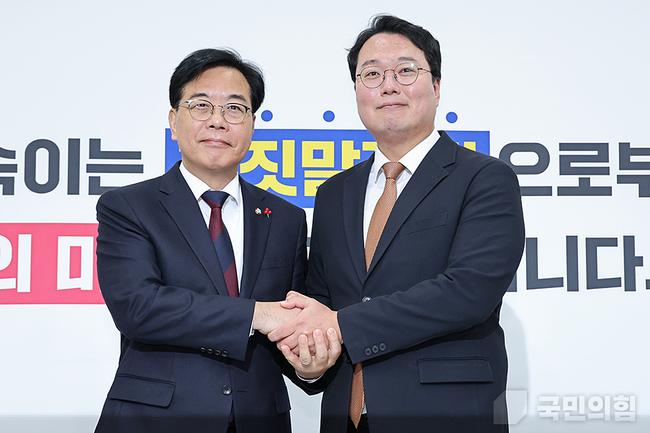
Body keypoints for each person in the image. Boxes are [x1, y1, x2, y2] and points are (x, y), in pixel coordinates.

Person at [270, 15, 525, 433]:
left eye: (406, 71)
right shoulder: (334, 193)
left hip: (445, 414)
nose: (388, 86)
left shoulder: (484, 178)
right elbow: (322, 299)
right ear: (356, 90)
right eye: (371, 74)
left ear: (436, 86)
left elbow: (468, 291)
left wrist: (341, 324)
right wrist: (310, 359)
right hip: (345, 416)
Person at [94, 48, 320, 433]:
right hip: (155, 420)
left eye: (234, 109)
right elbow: (139, 307)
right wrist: (257, 314)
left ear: (252, 124)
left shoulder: (286, 218)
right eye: (201, 106)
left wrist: (309, 365)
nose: (217, 121)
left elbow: (289, 322)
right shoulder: (129, 207)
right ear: (173, 121)